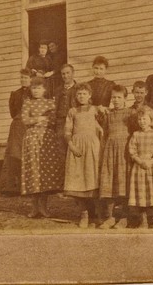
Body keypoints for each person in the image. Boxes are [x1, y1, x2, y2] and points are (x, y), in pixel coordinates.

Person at [21, 77, 65, 218]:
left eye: (39, 88)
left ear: (44, 89)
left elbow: (53, 119)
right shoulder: (27, 103)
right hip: (32, 138)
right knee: (34, 171)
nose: (36, 91)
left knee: (45, 172)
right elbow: (25, 120)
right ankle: (34, 208)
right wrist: (38, 119)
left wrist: (41, 120)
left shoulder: (50, 103)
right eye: (34, 88)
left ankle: (44, 207)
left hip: (47, 139)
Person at [64, 83, 103, 227]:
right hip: (77, 148)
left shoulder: (94, 110)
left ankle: (98, 214)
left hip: (92, 147)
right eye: (79, 94)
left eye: (84, 94)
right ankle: (84, 214)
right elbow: (67, 131)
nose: (81, 96)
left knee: (93, 178)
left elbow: (100, 126)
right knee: (78, 181)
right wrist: (72, 146)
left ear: (90, 95)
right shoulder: (72, 111)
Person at [97, 85, 133, 229]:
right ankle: (110, 217)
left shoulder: (131, 113)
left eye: (119, 97)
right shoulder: (108, 114)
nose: (116, 100)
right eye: (114, 97)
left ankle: (124, 218)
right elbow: (105, 134)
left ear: (125, 99)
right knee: (109, 183)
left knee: (123, 184)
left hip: (124, 152)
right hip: (110, 152)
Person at [127, 107, 153, 228]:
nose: (142, 121)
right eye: (140, 119)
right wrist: (139, 161)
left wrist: (152, 161)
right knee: (141, 194)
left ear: (151, 120)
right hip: (139, 168)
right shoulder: (136, 134)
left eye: (144, 119)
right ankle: (143, 220)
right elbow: (132, 150)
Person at [0, 69, 31, 195]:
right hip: (17, 127)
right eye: (22, 78)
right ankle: (12, 187)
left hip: (29, 126)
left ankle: (28, 187)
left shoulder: (35, 93)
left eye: (26, 78)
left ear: (31, 79)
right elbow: (13, 113)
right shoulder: (15, 94)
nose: (24, 80)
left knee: (29, 154)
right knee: (14, 154)